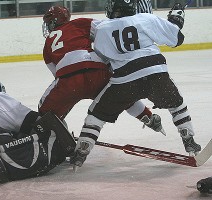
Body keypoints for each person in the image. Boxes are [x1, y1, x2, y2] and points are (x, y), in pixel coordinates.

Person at [71, 0, 201, 170]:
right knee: (176, 105)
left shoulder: (102, 30)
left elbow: (105, 58)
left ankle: (82, 150)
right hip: (155, 73)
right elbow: (176, 38)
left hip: (125, 80)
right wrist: (177, 18)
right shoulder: (145, 18)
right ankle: (189, 140)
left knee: (97, 114)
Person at [39, 5, 164, 135]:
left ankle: (58, 136)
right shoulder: (80, 23)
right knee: (122, 93)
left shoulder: (47, 44)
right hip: (96, 71)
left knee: (45, 111)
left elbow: (57, 73)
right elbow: (107, 30)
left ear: (54, 21)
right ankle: (148, 117)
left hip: (69, 80)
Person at [0, 79, 75, 182]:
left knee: (19, 135)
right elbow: (32, 121)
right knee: (49, 142)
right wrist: (61, 135)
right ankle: (0, 163)